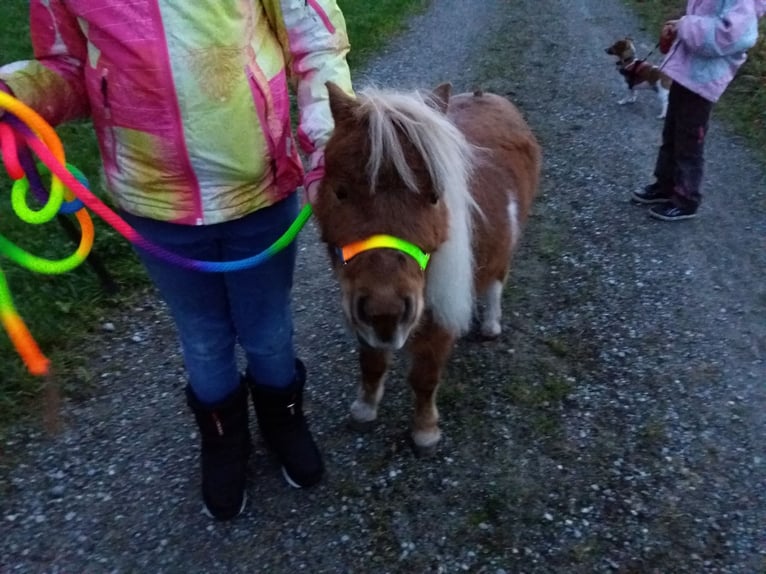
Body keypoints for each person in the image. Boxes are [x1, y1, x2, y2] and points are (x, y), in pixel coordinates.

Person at [0, 1, 353, 520]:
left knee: (269, 329)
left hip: (257, 190)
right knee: (203, 337)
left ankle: (284, 418)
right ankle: (221, 439)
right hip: (153, 203)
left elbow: (317, 42)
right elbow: (68, 67)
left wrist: (326, 143)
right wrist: (19, 93)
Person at [632, 0, 765, 221]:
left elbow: (731, 35)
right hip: (687, 70)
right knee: (672, 131)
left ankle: (686, 199)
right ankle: (666, 185)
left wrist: (685, 26)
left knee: (690, 140)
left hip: (704, 78)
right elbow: (703, 16)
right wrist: (679, 25)